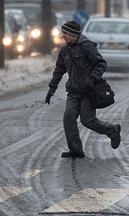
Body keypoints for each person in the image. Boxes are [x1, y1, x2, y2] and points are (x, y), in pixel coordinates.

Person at [45, 20, 122, 158]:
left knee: (88, 121)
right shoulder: (64, 51)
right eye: (63, 33)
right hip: (73, 92)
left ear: (74, 34)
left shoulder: (87, 47)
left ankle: (113, 130)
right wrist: (52, 88)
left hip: (88, 91)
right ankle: (76, 150)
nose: (63, 36)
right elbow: (59, 70)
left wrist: (91, 79)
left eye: (65, 33)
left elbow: (101, 64)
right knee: (68, 118)